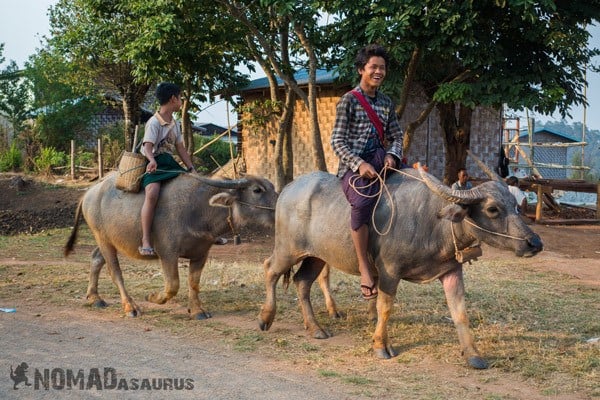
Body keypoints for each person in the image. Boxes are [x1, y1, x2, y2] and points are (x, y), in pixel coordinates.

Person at [331, 44, 404, 300]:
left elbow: (397, 135)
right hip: (356, 167)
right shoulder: (348, 101)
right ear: (362, 69)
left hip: (383, 161)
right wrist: (359, 164)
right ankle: (364, 267)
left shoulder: (386, 102)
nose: (378, 71)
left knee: (413, 187)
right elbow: (337, 141)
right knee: (361, 204)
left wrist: (393, 155)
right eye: (373, 67)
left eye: (382, 68)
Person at [139, 82, 196, 256]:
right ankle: (146, 240)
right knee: (152, 193)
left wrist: (191, 168)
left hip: (169, 163)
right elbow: (147, 147)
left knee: (192, 188)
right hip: (153, 162)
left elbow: (180, 148)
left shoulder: (175, 123)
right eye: (180, 98)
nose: (181, 101)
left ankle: (200, 233)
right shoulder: (154, 123)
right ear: (173, 99)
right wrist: (151, 161)